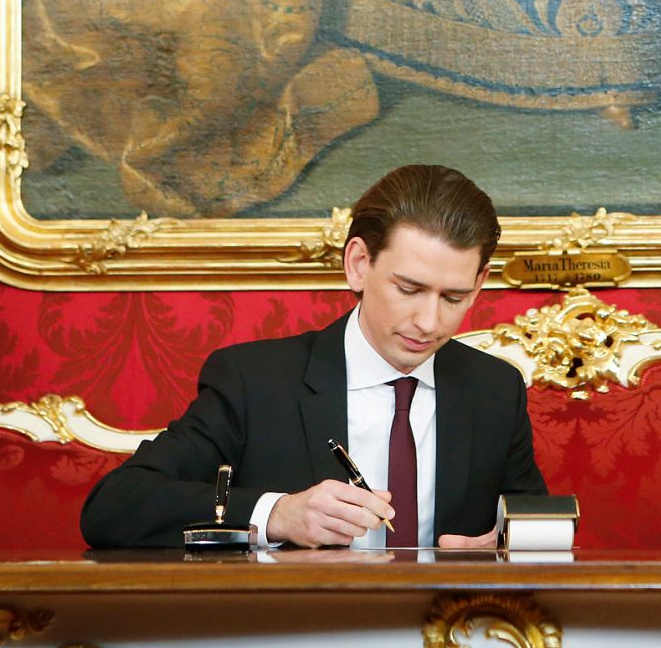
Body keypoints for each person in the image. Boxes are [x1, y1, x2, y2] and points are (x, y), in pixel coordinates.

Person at [81, 164, 547, 548]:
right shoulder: (253, 381)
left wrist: (508, 546)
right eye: (409, 289)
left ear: (481, 282)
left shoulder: (494, 389)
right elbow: (114, 506)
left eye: (454, 297)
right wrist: (277, 515)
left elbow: (537, 525)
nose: (429, 322)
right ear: (359, 264)